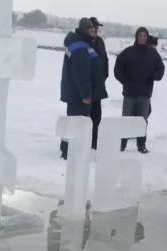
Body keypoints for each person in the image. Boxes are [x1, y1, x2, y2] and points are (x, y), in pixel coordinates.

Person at [59, 18, 108, 160]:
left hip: (78, 93)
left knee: (76, 121)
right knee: (76, 122)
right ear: (84, 30)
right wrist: (86, 94)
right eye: (92, 30)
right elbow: (82, 74)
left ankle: (72, 149)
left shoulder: (83, 45)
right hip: (79, 95)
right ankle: (68, 151)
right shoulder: (80, 48)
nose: (94, 32)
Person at [114, 27, 165, 154]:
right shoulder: (128, 52)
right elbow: (117, 69)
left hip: (145, 92)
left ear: (147, 37)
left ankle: (141, 144)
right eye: (140, 36)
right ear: (136, 37)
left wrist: (154, 77)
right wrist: (125, 81)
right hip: (129, 92)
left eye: (144, 36)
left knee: (142, 120)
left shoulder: (152, 54)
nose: (142, 38)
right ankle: (122, 143)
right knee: (126, 119)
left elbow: (161, 68)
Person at [89, 17, 109, 150]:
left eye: (97, 27)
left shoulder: (100, 41)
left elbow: (104, 59)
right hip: (87, 85)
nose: (96, 29)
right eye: (94, 26)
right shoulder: (85, 41)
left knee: (97, 115)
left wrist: (104, 76)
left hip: (98, 85)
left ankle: (95, 141)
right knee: (85, 115)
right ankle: (85, 140)